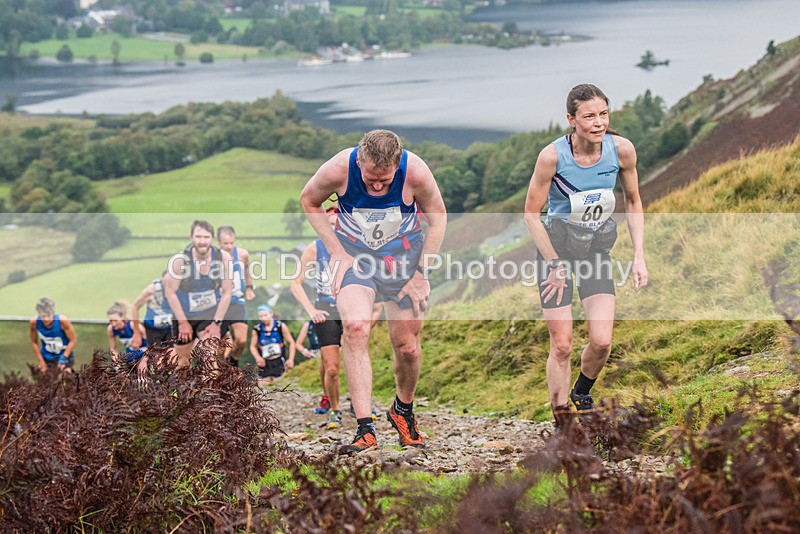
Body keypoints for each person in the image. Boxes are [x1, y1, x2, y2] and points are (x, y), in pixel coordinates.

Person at [300, 129, 447, 453]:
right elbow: (309, 201)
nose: (378, 187)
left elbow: (438, 219)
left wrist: (421, 273)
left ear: (397, 165)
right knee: (354, 328)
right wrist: (336, 250)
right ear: (360, 160)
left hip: (403, 260)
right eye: (370, 180)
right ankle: (365, 428)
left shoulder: (416, 171)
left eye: (385, 181)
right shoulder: (340, 168)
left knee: (407, 346)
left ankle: (402, 411)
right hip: (356, 258)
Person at [523, 83, 648, 427]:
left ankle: (581, 390)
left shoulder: (621, 150)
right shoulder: (552, 157)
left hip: (595, 249)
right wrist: (553, 263)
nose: (598, 122)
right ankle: (562, 424)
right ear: (571, 119)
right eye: (589, 116)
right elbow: (531, 214)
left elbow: (634, 201)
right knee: (562, 345)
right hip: (556, 251)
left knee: (602, 342)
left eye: (603, 114)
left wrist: (639, 256)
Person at [291, 205, 345, 429]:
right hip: (326, 310)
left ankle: (363, 405)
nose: (333, 230)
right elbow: (295, 283)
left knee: (355, 362)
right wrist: (311, 311)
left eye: (337, 225)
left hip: (351, 310)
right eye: (329, 225)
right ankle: (335, 409)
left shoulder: (355, 246)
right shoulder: (315, 249)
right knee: (331, 367)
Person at [163, 220, 233, 369]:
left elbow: (227, 292)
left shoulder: (223, 258)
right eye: (198, 237)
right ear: (191, 238)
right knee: (183, 363)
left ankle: (210, 392)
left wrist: (217, 323)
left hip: (208, 315)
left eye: (206, 237)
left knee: (208, 358)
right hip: (184, 315)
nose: (202, 241)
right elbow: (170, 292)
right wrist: (183, 323)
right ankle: (183, 391)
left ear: (212, 239)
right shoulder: (180, 260)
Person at [217, 225, 256, 367]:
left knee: (241, 340)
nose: (228, 246)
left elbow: (247, 271)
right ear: (218, 242)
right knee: (220, 346)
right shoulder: (213, 257)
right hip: (219, 305)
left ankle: (233, 362)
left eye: (231, 243)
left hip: (237, 301)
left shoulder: (242, 254)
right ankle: (221, 371)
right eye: (225, 243)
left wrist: (249, 288)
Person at [249, 305, 296, 384]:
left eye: (265, 315)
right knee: (262, 384)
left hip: (279, 360)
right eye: (261, 316)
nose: (264, 318)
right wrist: (258, 357)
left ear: (271, 314)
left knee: (281, 383)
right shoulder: (257, 329)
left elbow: (291, 343)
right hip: (264, 362)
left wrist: (291, 359)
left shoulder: (280, 326)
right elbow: (252, 346)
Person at [29, 297, 77, 373]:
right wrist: (41, 361)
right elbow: (34, 342)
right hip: (47, 357)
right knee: (44, 379)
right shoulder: (34, 323)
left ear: (53, 312)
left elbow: (73, 340)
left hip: (64, 355)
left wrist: (64, 358)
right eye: (43, 316)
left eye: (49, 315)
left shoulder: (63, 321)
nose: (46, 319)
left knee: (65, 377)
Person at [130, 272, 173, 349]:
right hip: (153, 329)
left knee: (173, 356)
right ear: (162, 280)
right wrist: (136, 332)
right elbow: (135, 307)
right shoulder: (150, 291)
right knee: (156, 357)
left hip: (171, 328)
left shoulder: (180, 290)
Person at [106, 301, 149, 374]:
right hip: (130, 357)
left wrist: (145, 360)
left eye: (116, 320)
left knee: (142, 377)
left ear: (122, 318)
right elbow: (113, 349)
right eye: (111, 321)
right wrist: (118, 364)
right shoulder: (111, 330)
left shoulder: (133, 325)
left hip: (145, 355)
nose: (113, 323)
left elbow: (152, 344)